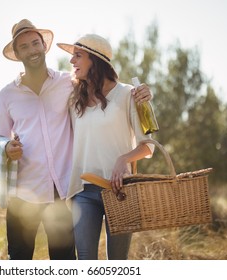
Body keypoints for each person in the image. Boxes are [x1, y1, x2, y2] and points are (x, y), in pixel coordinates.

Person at [0, 19, 152, 260]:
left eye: (36, 43)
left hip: (70, 192)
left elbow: (114, 94)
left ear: (44, 46)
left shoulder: (70, 84)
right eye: (24, 46)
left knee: (74, 263)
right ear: (17, 53)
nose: (32, 49)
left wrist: (144, 93)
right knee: (22, 261)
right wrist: (5, 147)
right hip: (33, 193)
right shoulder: (8, 96)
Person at [57, 34, 155, 260]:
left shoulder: (128, 94)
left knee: (117, 263)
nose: (72, 62)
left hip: (120, 191)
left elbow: (148, 146)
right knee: (85, 261)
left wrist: (123, 160)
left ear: (96, 60)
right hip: (84, 190)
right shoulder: (74, 100)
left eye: (78, 56)